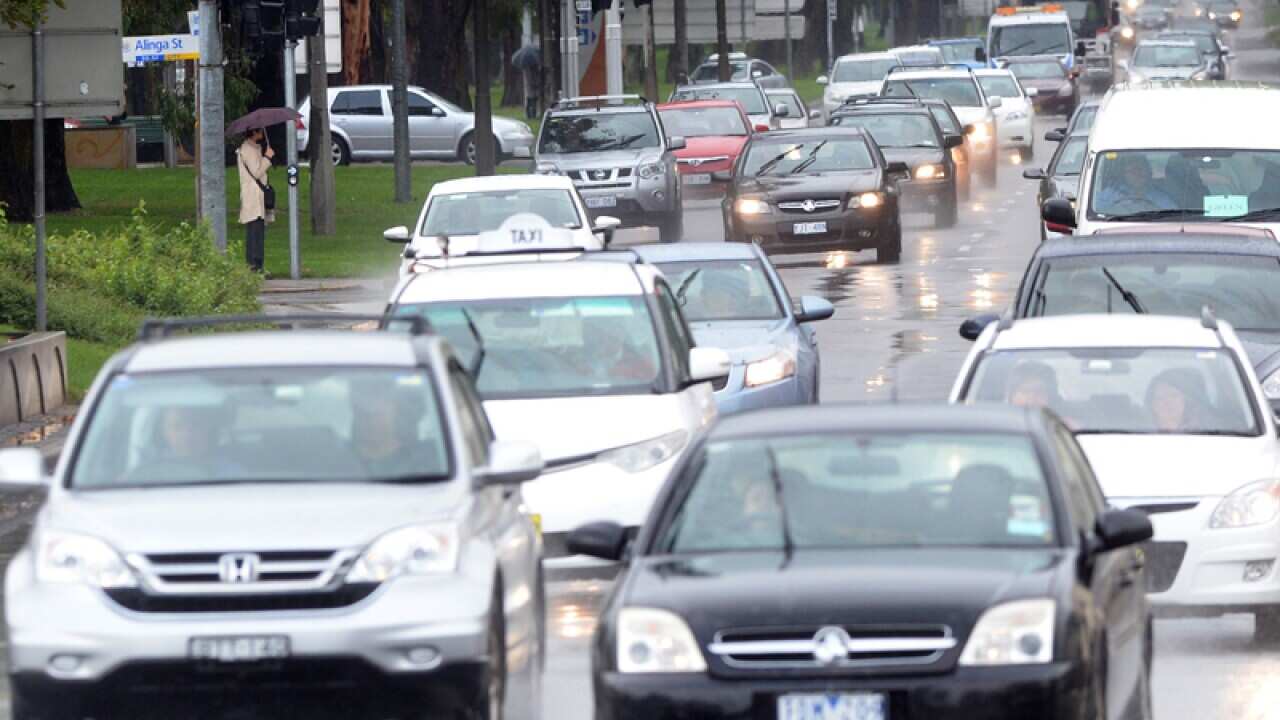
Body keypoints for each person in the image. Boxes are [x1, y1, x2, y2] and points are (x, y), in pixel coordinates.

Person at [350, 380, 442, 478]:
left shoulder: (427, 460)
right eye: (363, 413)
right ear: (355, 412)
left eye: (377, 414)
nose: (370, 421)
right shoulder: (339, 458)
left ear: (394, 409)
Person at [237, 128, 274, 273]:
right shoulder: (248, 150)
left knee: (258, 231)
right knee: (254, 232)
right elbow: (257, 172)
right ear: (253, 133)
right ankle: (254, 266)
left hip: (257, 196)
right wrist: (267, 158)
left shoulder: (253, 148)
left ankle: (257, 265)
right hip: (253, 197)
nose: (262, 134)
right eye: (259, 132)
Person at [580, 318, 658, 383]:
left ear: (623, 334)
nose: (607, 337)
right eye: (603, 333)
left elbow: (653, 383)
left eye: (614, 334)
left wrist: (614, 371)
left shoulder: (640, 359)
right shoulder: (581, 357)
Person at [1096, 154, 1179, 214]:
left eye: (1141, 169)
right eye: (1133, 170)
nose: (1137, 174)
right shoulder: (1109, 194)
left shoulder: (1160, 197)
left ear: (1149, 172)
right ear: (1124, 174)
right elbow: (1096, 213)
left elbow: (1173, 215)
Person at [1146, 368, 1211, 432]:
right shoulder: (1141, 432)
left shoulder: (1206, 431)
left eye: (1173, 396)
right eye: (1160, 398)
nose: (1167, 402)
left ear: (1185, 400)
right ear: (1152, 404)